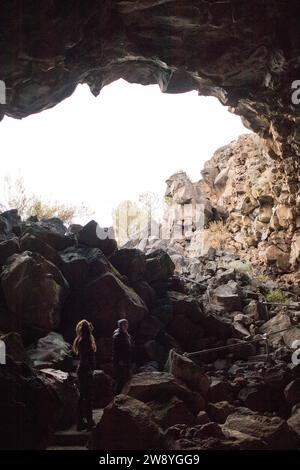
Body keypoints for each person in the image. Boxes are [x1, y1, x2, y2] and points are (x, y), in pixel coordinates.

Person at [73, 319, 97, 431]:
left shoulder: (81, 340)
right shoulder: (85, 340)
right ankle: (89, 421)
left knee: (83, 396)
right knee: (87, 397)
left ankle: (81, 422)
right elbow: (85, 358)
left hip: (82, 370)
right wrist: (89, 370)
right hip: (85, 371)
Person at [112, 318, 135, 394]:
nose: (126, 326)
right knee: (121, 380)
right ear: (120, 326)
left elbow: (128, 348)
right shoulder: (118, 336)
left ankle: (123, 394)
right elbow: (117, 350)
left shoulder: (126, 334)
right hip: (121, 361)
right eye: (124, 324)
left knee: (126, 378)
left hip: (127, 360)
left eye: (126, 324)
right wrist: (119, 361)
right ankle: (117, 396)